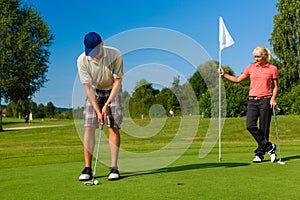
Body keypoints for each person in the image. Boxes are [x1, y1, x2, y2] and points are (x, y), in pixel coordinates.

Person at [218, 46, 278, 163]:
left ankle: (260, 154)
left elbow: (276, 86)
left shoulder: (272, 68)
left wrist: (273, 99)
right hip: (252, 101)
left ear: (265, 55)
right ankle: (270, 147)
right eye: (255, 57)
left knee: (264, 129)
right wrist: (224, 74)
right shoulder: (251, 67)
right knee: (250, 125)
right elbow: (237, 79)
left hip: (266, 100)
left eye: (258, 56)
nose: (256, 59)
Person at [77, 32, 124, 181]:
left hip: (113, 89)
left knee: (113, 126)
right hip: (95, 91)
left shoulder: (115, 54)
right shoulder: (82, 60)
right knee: (89, 126)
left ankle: (114, 168)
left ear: (101, 44)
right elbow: (88, 87)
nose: (92, 55)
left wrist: (108, 104)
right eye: (89, 51)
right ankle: (87, 168)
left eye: (94, 50)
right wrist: (98, 110)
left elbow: (117, 82)